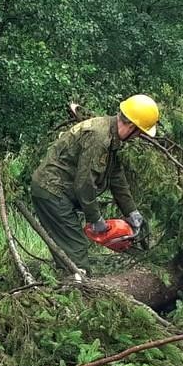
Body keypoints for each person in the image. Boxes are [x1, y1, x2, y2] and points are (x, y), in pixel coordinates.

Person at [30, 94, 159, 272]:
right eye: (139, 132)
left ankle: (69, 281)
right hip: (52, 190)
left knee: (71, 246)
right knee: (75, 249)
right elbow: (84, 184)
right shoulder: (99, 138)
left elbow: (116, 176)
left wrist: (131, 211)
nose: (137, 137)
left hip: (61, 190)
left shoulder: (111, 137)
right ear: (131, 125)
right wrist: (95, 218)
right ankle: (78, 289)